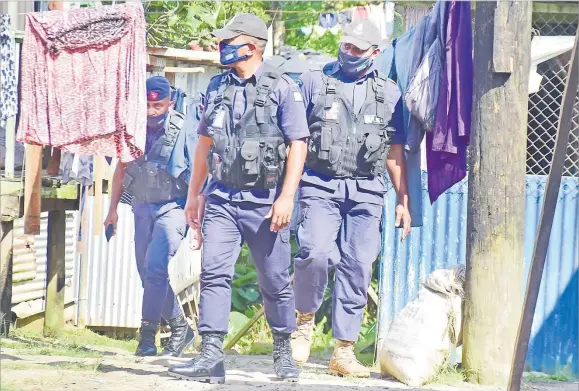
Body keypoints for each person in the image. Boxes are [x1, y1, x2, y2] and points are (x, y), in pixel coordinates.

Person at [168, 13, 309, 384]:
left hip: (266, 203)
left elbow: (298, 143)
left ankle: (283, 349)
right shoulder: (217, 87)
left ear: (251, 45)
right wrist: (194, 195)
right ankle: (211, 356)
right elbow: (204, 145)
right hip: (222, 198)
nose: (222, 46)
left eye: (229, 41)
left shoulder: (281, 87)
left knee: (275, 280)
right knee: (214, 273)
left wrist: (287, 197)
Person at [290, 20, 412, 378]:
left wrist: (404, 200)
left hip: (366, 190)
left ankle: (343, 351)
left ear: (374, 53)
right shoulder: (313, 82)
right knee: (315, 253)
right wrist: (283, 193)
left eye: (359, 49)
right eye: (346, 46)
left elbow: (394, 153)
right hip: (319, 183)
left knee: (358, 265)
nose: (350, 53)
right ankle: (305, 319)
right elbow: (294, 141)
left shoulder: (390, 94)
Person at [103, 76, 198, 357]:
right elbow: (122, 168)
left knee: (156, 267)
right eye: (147, 104)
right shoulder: (132, 129)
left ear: (170, 102)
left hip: (173, 207)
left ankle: (147, 338)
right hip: (142, 207)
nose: (152, 110)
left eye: (158, 104)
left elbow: (198, 171)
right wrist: (112, 212)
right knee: (147, 274)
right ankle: (181, 328)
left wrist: (198, 214)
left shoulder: (184, 128)